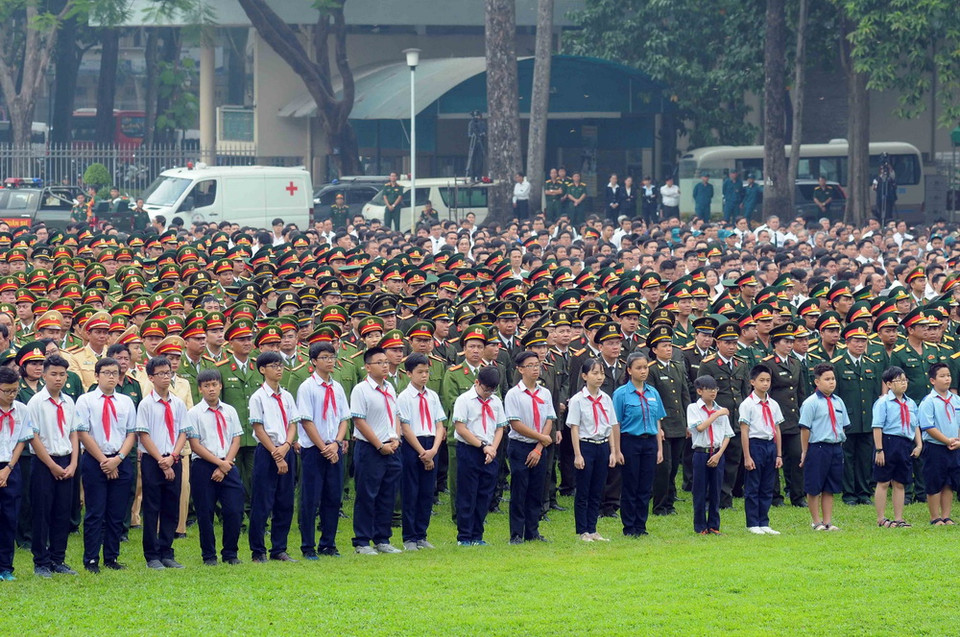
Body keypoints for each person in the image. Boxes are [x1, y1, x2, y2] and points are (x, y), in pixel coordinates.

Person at [76, 357, 138, 573]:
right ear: (97, 375)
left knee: (116, 512)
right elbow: (83, 432)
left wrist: (118, 459)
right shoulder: (86, 400)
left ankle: (111, 557)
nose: (112, 376)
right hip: (96, 461)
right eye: (107, 372)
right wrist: (104, 461)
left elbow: (132, 433)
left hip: (119, 460)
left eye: (115, 373)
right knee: (95, 512)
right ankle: (91, 559)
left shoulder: (126, 401)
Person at [184, 369, 244, 566]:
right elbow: (195, 444)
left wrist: (225, 464)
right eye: (207, 386)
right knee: (205, 511)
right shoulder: (194, 413)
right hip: (204, 465)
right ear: (200, 389)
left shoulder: (230, 410)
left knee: (234, 510)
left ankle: (230, 553)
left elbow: (236, 438)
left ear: (220, 386)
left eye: (215, 385)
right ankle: (209, 555)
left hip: (228, 463)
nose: (211, 389)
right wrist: (219, 464)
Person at [296, 342, 350, 559]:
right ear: (314, 361)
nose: (330, 361)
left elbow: (344, 418)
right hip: (314, 450)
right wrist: (324, 447)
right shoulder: (307, 387)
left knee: (333, 496)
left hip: (334, 447)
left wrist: (336, 442)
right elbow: (307, 421)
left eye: (332, 357)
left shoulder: (337, 387)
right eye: (325, 357)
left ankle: (328, 543)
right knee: (310, 498)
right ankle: (308, 545)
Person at [27, 355, 78, 577]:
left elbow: (73, 433)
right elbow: (33, 437)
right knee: (42, 512)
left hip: (66, 460)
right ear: (44, 375)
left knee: (62, 512)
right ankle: (41, 561)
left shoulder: (69, 401)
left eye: (62, 375)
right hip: (44, 462)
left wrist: (74, 462)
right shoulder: (36, 402)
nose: (58, 379)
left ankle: (59, 558)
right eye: (54, 374)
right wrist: (51, 465)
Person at [136, 356, 189, 570]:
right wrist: (161, 461)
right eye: (161, 374)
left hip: (173, 457)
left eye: (168, 373)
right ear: (151, 377)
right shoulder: (146, 404)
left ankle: (167, 550)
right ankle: (152, 555)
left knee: (171, 506)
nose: (166, 377)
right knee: (152, 507)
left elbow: (183, 432)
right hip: (153, 460)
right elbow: (143, 434)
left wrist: (173, 457)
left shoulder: (177, 403)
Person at [247, 351, 299, 562]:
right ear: (262, 369)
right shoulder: (258, 397)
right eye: (274, 365)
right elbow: (258, 428)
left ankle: (279, 548)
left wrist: (286, 445)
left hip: (285, 449)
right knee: (262, 501)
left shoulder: (286, 396)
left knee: (285, 501)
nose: (279, 369)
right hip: (267, 452)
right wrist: (277, 455)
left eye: (281, 365)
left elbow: (293, 423)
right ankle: (258, 550)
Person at [350, 346, 402, 554]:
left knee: (387, 494)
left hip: (392, 446)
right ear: (367, 367)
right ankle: (362, 541)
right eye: (380, 362)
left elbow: (396, 415)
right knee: (367, 494)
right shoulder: (361, 390)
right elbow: (359, 420)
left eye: (386, 362)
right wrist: (379, 445)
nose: (385, 366)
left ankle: (382, 538)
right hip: (370, 448)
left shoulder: (389, 387)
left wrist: (396, 438)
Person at [504, 350, 556, 544]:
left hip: (539, 448)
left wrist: (539, 447)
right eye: (530, 366)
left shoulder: (545, 392)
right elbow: (515, 424)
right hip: (520, 446)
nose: (535, 369)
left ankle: (532, 531)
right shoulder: (513, 394)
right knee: (519, 490)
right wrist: (541, 437)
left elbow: (549, 418)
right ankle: (516, 533)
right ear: (520, 369)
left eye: (537, 365)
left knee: (536, 490)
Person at [396, 353, 445, 551]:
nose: (424, 376)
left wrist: (432, 450)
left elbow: (440, 424)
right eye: (419, 372)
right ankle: (409, 537)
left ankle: (421, 534)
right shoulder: (404, 397)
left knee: (426, 492)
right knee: (411, 491)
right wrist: (422, 452)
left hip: (431, 443)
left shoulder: (432, 396)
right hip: (413, 444)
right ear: (408, 373)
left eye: (426, 372)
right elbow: (405, 428)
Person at [452, 366, 506, 546]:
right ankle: (464, 536)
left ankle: (477, 534)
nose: (488, 394)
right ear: (477, 382)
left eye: (492, 390)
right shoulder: (464, 400)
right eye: (486, 389)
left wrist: (492, 448)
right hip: (470, 449)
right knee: (468, 493)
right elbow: (461, 428)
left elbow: (500, 427)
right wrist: (482, 446)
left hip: (490, 450)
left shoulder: (496, 401)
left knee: (485, 494)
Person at [613, 351, 665, 537]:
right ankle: (629, 527)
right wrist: (617, 450)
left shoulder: (653, 392)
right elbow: (616, 424)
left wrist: (659, 448)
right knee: (630, 485)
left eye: (645, 368)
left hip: (649, 442)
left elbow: (658, 421)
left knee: (645, 486)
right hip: (630, 442)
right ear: (629, 370)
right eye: (639, 368)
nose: (643, 371)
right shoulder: (621, 394)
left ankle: (641, 526)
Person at [567, 358, 619, 542]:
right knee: (583, 490)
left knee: (598, 489)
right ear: (584, 376)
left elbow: (611, 425)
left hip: (602, 445)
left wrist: (613, 451)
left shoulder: (606, 398)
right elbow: (574, 427)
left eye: (601, 373)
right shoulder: (577, 400)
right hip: (586, 445)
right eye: (595, 373)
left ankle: (593, 528)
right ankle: (583, 530)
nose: (599, 377)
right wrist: (578, 454)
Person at [799, 363, 849, 531]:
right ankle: (816, 521)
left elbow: (843, 425)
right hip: (817, 447)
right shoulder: (811, 403)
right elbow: (805, 428)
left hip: (835, 447)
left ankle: (828, 521)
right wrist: (805, 451)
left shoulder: (838, 401)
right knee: (814, 486)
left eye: (833, 379)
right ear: (817, 382)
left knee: (830, 486)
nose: (831, 382)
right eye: (827, 379)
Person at [871, 366, 922, 528]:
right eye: (898, 380)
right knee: (884, 481)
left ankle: (899, 518)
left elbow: (915, 425)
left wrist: (919, 444)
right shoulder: (883, 402)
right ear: (889, 384)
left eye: (904, 380)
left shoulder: (910, 403)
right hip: (888, 442)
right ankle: (881, 518)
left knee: (900, 482)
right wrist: (879, 450)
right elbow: (877, 427)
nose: (903, 383)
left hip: (905, 443)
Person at [739, 364, 784, 535]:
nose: (765, 384)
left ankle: (764, 521)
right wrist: (747, 456)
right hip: (755, 444)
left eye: (768, 380)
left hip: (770, 444)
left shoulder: (773, 404)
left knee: (767, 485)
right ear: (752, 382)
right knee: (753, 486)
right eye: (761, 380)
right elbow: (744, 430)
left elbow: (777, 429)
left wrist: (779, 453)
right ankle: (752, 522)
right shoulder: (748, 404)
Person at [687, 375, 733, 535]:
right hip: (701, 453)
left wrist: (719, 454)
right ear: (700, 391)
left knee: (716, 490)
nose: (713, 392)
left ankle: (714, 525)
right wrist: (716, 415)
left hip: (717, 453)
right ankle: (700, 526)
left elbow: (727, 435)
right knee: (699, 490)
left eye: (715, 389)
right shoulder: (694, 408)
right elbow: (699, 428)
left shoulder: (720, 409)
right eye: (709, 389)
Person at [917, 363, 960, 526]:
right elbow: (928, 426)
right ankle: (935, 517)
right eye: (942, 376)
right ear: (932, 381)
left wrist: (957, 441)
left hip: (954, 447)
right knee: (935, 481)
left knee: (949, 481)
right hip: (935, 446)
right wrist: (946, 440)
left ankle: (946, 515)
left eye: (948, 375)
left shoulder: (956, 399)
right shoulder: (929, 401)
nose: (947, 379)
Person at [0, 366, 30, 581]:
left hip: (11, 467)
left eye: (14, 390)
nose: (11, 395)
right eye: (6, 391)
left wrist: (8, 469)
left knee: (9, 518)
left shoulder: (21, 409)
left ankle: (5, 567)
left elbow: (21, 440)